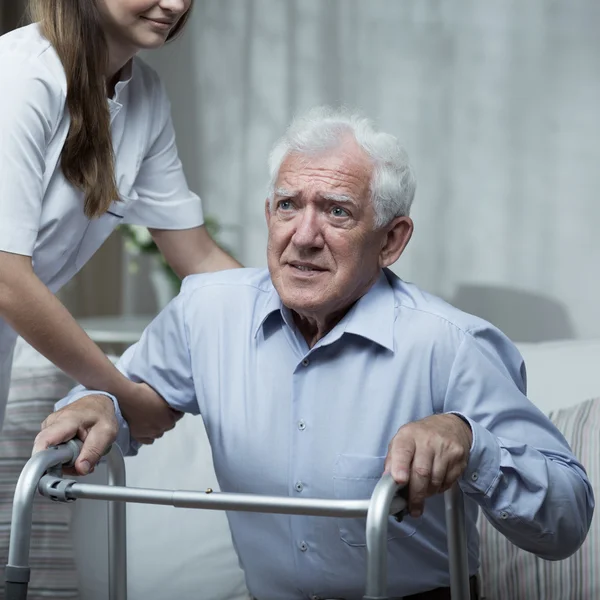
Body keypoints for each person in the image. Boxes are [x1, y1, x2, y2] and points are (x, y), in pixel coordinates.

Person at [36, 107, 594, 600]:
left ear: (392, 240)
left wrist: (471, 442)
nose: (303, 235)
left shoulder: (452, 344)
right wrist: (98, 402)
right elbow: (133, 401)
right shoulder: (206, 312)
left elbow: (567, 518)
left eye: (337, 212)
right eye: (288, 206)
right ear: (268, 215)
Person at [0, 0, 240, 439]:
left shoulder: (144, 94)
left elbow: (199, 257)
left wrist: (309, 315)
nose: (177, 4)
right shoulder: (20, 75)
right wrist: (124, 395)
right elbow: (6, 278)